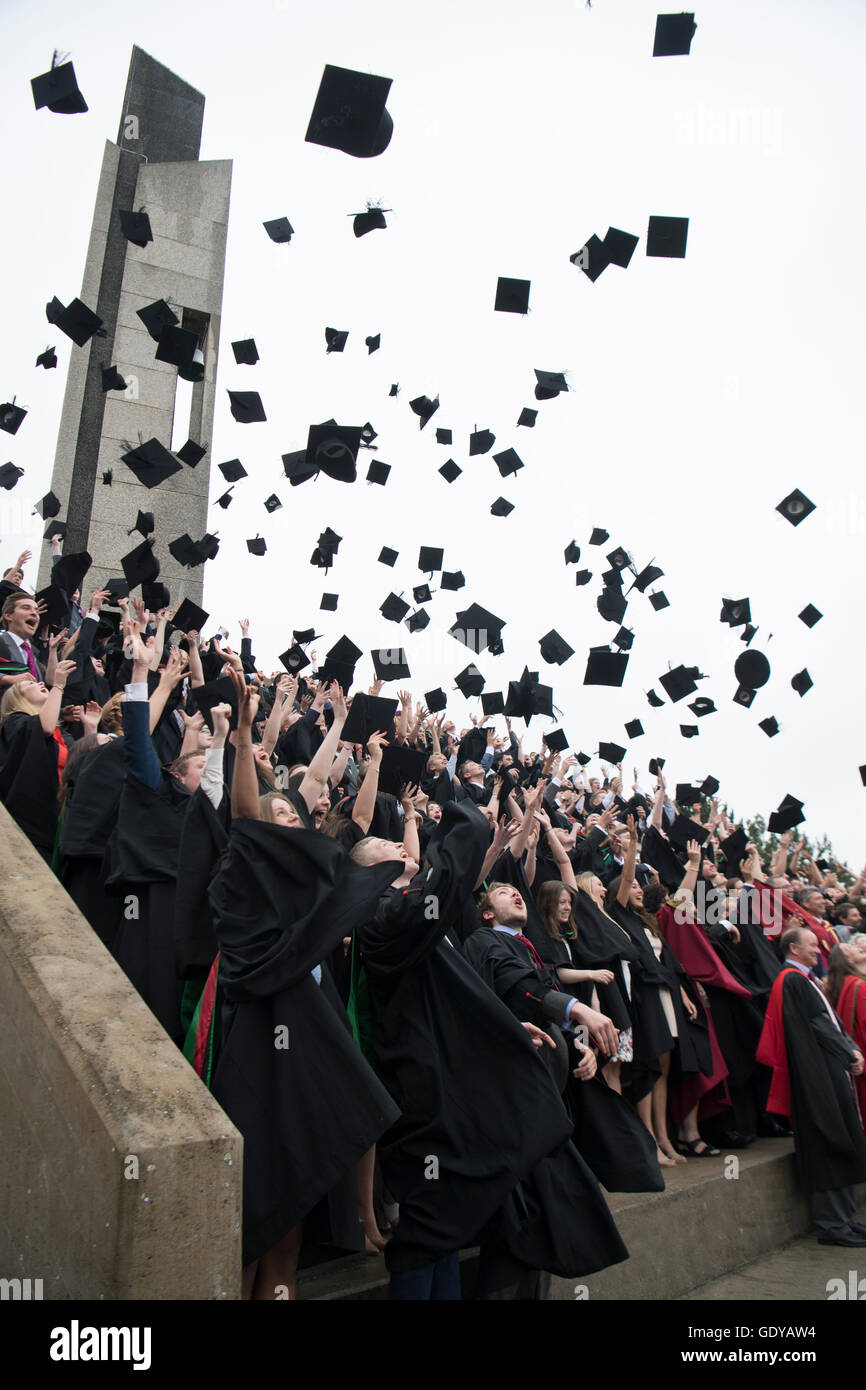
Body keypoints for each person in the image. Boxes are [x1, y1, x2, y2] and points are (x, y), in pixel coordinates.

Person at [756, 925, 866, 1245]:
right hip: (815, 1078)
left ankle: (845, 1218)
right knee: (827, 1143)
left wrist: (848, 1051)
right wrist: (849, 1051)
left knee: (839, 1138)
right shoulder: (791, 980)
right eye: (813, 945)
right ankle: (832, 1225)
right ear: (793, 949)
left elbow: (829, 1020)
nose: (819, 949)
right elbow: (818, 1025)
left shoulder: (803, 980)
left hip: (828, 1071)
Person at [825, 938, 866, 1134]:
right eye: (851, 947)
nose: (858, 947)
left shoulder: (843, 985)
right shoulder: (858, 985)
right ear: (847, 960)